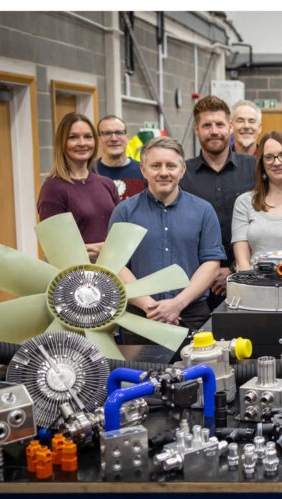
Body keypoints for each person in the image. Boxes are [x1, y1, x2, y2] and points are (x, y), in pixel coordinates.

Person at [109, 136, 225, 349]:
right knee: (139, 380)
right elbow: (117, 266)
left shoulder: (203, 210)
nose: (164, 172)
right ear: (143, 170)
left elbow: (211, 265)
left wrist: (177, 304)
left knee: (194, 379)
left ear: (182, 170)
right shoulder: (124, 212)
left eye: (171, 165)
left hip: (191, 316)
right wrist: (152, 308)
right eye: (156, 166)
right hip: (139, 318)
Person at [181, 95, 256, 307]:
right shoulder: (182, 174)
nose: (214, 131)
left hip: (248, 277)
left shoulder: (255, 168)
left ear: (230, 127)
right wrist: (209, 273)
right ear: (196, 129)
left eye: (219, 124)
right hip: (195, 286)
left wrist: (232, 269)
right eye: (206, 125)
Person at [37, 112, 119, 263]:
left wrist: (108, 249)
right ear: (62, 143)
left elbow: (119, 234)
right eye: (73, 137)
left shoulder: (107, 184)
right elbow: (54, 248)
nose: (82, 143)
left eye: (88, 136)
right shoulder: (53, 189)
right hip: (76, 279)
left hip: (110, 273)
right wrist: (101, 248)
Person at [232, 132, 282, 270]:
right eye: (269, 157)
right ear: (261, 163)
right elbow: (242, 263)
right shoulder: (244, 202)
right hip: (254, 286)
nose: (277, 162)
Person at [95, 115, 146, 200]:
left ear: (127, 138)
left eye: (119, 132)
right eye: (107, 133)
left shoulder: (144, 171)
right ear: (99, 140)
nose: (114, 138)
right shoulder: (89, 173)